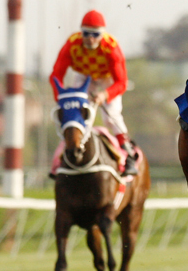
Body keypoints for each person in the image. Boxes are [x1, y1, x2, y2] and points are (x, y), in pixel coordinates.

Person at [49, 10, 139, 176]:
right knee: (74, 114)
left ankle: (129, 156)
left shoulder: (111, 48)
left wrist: (105, 95)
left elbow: (121, 83)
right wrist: (61, 99)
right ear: (81, 33)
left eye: (95, 34)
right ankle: (62, 155)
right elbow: (56, 75)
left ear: (102, 34)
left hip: (107, 79)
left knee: (111, 115)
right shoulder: (72, 44)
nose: (90, 38)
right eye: (86, 33)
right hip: (84, 76)